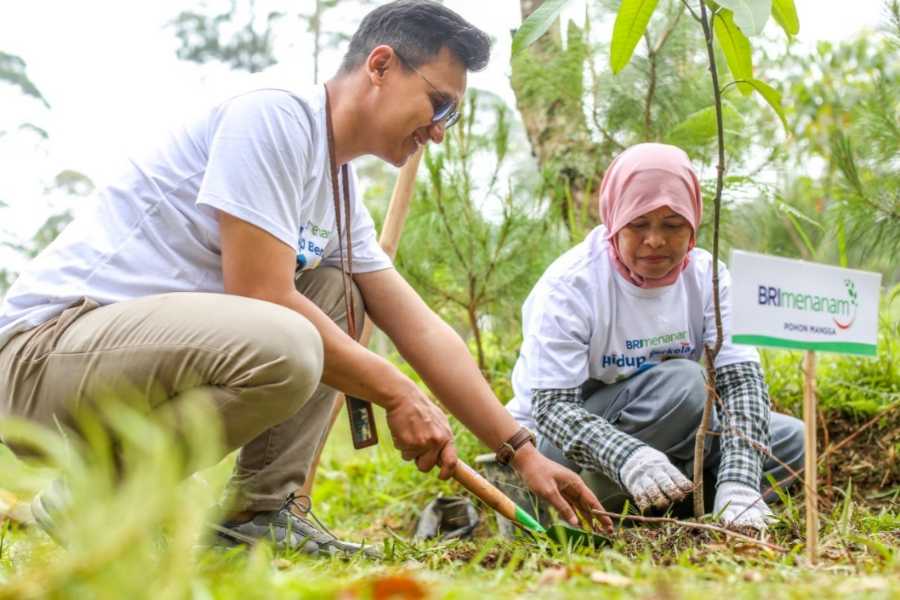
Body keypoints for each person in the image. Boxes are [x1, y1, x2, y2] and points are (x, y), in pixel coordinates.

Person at [0, 0, 611, 556]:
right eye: (439, 103)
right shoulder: (272, 115)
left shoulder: (339, 193)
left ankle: (258, 512)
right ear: (380, 66)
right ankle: (94, 494)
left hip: (125, 364)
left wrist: (522, 452)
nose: (440, 130)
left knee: (343, 295)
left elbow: (420, 329)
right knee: (289, 340)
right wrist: (398, 394)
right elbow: (261, 294)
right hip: (40, 358)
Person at [505, 143, 805, 530]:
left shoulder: (708, 277)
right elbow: (552, 410)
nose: (656, 240)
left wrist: (740, 480)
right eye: (638, 224)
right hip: (560, 450)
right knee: (683, 385)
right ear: (614, 220)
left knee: (790, 442)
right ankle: (578, 505)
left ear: (693, 223)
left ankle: (695, 504)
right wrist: (629, 457)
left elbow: (742, 383)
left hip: (670, 432)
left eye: (672, 224)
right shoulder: (572, 285)